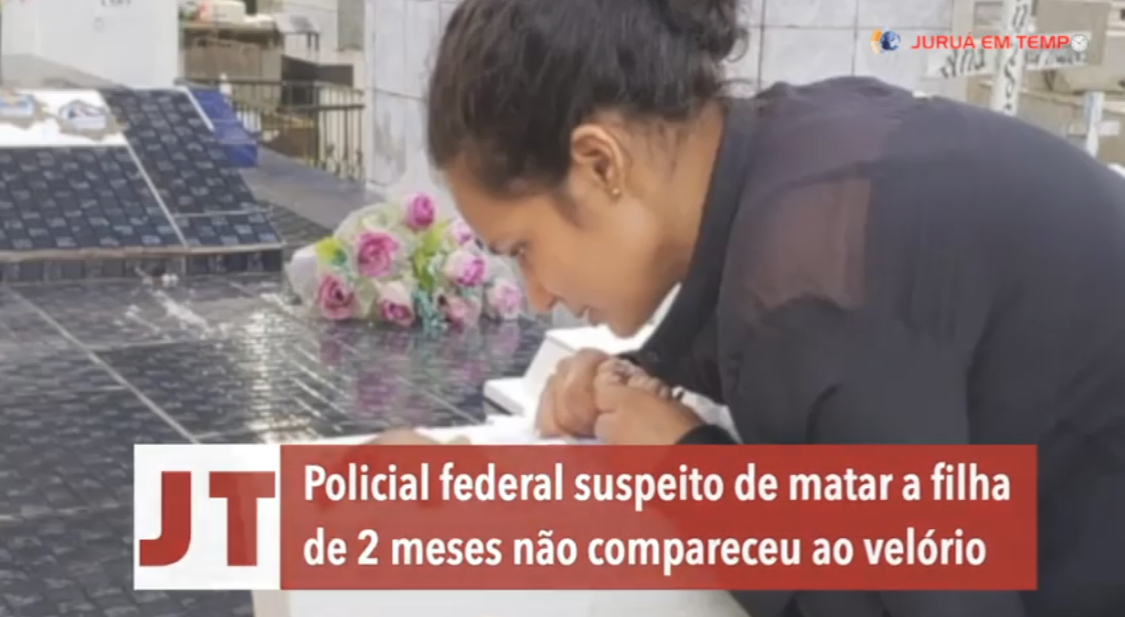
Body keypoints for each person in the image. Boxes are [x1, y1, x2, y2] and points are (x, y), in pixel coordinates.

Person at [373, 0, 1125, 614]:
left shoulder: (815, 285)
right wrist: (639, 375)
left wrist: (689, 468)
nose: (536, 295)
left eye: (523, 248)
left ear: (601, 163)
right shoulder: (793, 145)